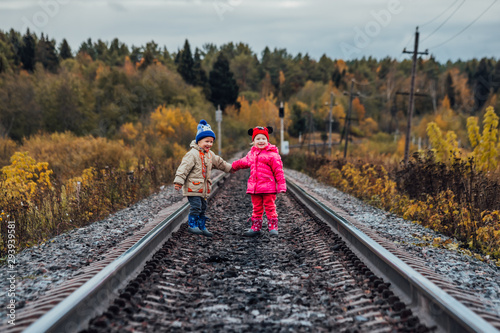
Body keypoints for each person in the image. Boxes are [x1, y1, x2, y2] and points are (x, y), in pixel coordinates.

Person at [174, 119, 232, 237]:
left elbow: (220, 163)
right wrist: (178, 182)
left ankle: (201, 226)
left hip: (203, 188)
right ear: (199, 141)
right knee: (196, 206)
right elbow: (183, 168)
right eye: (206, 141)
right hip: (193, 188)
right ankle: (192, 226)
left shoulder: (210, 154)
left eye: (211, 142)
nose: (209, 144)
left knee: (203, 207)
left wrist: (231, 168)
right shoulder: (192, 154)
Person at [231, 126, 286, 236]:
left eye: (263, 139)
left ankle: (273, 227)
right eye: (258, 139)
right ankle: (256, 227)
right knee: (256, 208)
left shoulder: (273, 155)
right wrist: (233, 166)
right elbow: (243, 162)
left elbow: (278, 171)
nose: (261, 141)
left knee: (270, 207)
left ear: (267, 140)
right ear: (253, 141)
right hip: (255, 188)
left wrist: (281, 185)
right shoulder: (251, 154)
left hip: (268, 188)